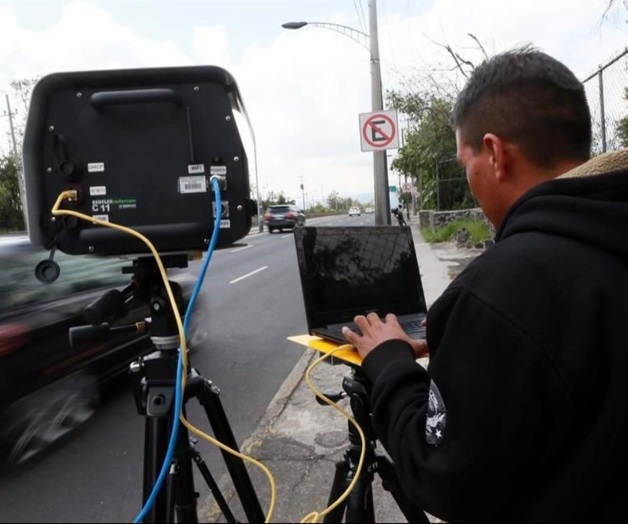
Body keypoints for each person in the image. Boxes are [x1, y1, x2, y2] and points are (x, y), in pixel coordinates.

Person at [342, 46, 628, 522]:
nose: (469, 178)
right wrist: (464, 347)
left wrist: (389, 364)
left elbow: (445, 477)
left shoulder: (499, 291)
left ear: (494, 153)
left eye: (464, 162)